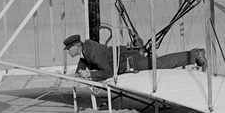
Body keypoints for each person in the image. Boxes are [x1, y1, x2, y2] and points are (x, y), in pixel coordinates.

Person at [63, 34, 206, 81]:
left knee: (161, 63)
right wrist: (76, 74)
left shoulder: (93, 53)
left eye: (69, 49)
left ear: (76, 45)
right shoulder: (86, 48)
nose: (68, 52)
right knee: (161, 63)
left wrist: (90, 74)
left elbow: (108, 73)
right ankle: (193, 54)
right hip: (125, 56)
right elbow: (83, 60)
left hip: (131, 61)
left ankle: (194, 54)